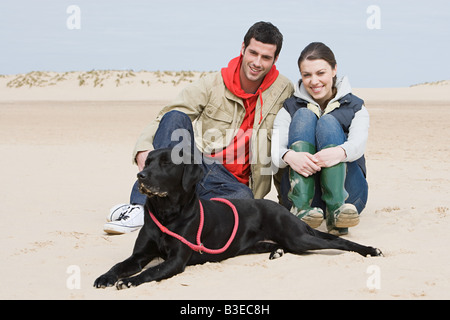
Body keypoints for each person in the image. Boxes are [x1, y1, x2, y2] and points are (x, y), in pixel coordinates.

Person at [104, 21, 294, 234]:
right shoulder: (213, 83)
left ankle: (181, 209)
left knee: (243, 200)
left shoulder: (283, 89)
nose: (257, 62)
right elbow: (166, 116)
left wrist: (288, 205)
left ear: (275, 59)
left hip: (234, 187)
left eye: (266, 57)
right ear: (243, 48)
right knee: (175, 117)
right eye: (253, 53)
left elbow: (285, 142)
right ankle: (139, 208)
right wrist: (142, 148)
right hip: (199, 167)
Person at [271, 42, 369, 236]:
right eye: (307, 75)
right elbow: (275, 153)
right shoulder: (289, 108)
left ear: (334, 70)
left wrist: (338, 153)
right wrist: (290, 156)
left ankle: (336, 212)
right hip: (303, 196)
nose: (314, 81)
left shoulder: (356, 107)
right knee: (304, 116)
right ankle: (301, 208)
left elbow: (358, 145)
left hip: (350, 197)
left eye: (320, 73)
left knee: (328, 123)